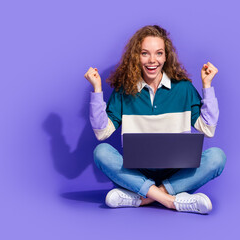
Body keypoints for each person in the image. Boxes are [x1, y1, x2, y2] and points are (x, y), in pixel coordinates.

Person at [84, 25, 226, 214]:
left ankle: (143, 198)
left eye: (159, 53)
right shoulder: (124, 90)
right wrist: (97, 90)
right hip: (137, 172)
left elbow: (208, 129)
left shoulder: (183, 88)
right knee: (101, 152)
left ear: (166, 56)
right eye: (145, 53)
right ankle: (171, 201)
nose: (152, 60)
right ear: (137, 56)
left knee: (217, 157)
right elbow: (102, 133)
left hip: (177, 173)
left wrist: (207, 86)